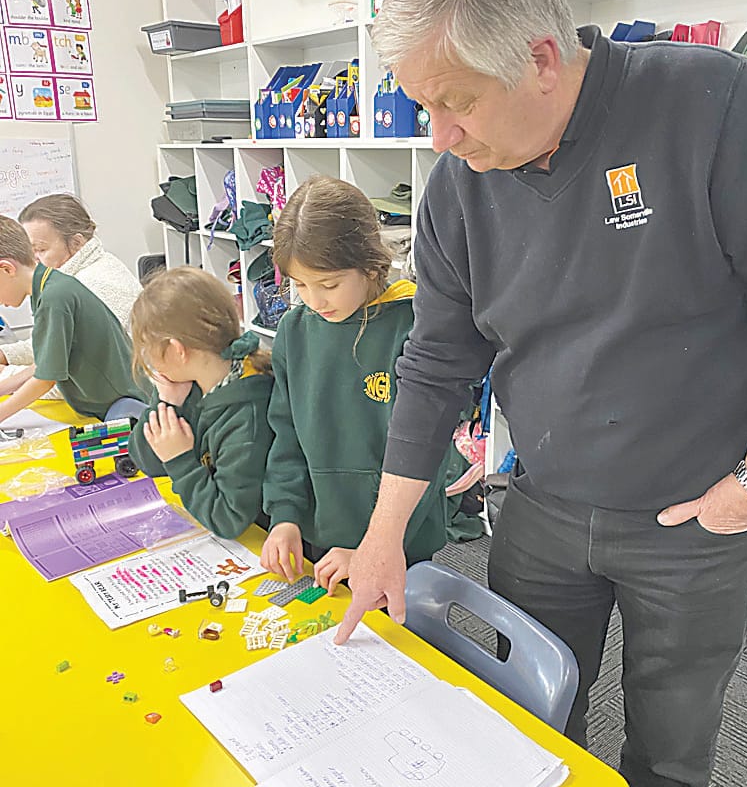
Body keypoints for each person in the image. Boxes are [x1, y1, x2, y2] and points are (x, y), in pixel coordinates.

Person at [335, 0, 747, 787]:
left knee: (671, 737)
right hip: (538, 504)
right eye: (421, 106)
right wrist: (380, 536)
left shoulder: (714, 106)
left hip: (693, 519)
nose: (438, 137)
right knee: (526, 724)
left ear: (542, 58)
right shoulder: (459, 184)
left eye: (454, 102)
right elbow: (439, 357)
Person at [260, 175, 454, 592]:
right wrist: (285, 516)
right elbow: (286, 435)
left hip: (403, 544)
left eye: (328, 285)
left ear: (370, 264)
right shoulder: (295, 332)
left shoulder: (414, 329)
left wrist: (379, 544)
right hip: (321, 537)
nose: (314, 300)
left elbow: (427, 458)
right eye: (299, 285)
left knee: (402, 651)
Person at [128, 266, 273, 541]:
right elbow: (147, 461)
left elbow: (228, 519)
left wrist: (180, 460)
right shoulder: (190, 384)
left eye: (148, 349)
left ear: (176, 350)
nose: (149, 360)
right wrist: (167, 403)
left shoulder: (247, 412)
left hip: (258, 542)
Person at [0, 214, 147, 425]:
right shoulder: (46, 287)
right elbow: (44, 364)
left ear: (7, 269)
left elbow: (45, 380)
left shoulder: (54, 296)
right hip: (109, 406)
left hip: (127, 411)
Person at [0, 193, 141, 369]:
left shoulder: (94, 285)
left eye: (41, 249)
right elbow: (49, 344)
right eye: (29, 250)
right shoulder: (66, 280)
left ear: (77, 243)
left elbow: (74, 374)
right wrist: (6, 355)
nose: (32, 260)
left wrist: (6, 373)